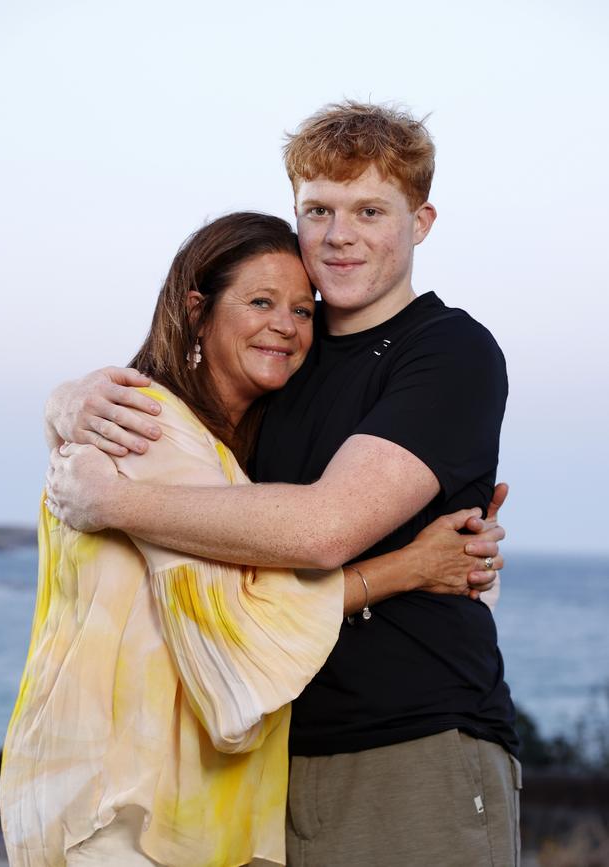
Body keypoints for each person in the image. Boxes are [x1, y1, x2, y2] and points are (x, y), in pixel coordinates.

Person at [44, 103, 517, 867]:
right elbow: (201, 482)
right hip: (264, 755)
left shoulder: (449, 352)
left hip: (413, 740)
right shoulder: (284, 359)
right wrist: (65, 400)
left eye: (371, 210)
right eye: (318, 210)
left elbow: (321, 529)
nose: (340, 235)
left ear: (421, 221)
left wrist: (115, 505)